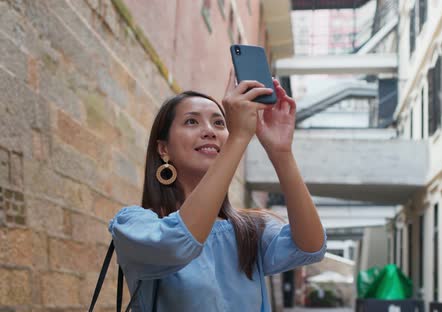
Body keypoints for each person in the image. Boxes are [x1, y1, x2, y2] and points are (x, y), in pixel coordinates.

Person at [108, 71, 326, 311]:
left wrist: (281, 152)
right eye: (192, 121)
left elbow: (310, 248)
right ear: (163, 149)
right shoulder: (135, 225)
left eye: (220, 123)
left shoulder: (249, 230)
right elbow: (179, 242)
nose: (209, 130)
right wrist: (239, 136)